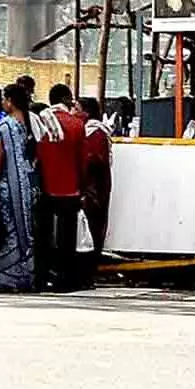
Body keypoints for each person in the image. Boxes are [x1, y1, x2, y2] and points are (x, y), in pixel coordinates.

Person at [0, 84, 39, 291]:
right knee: (25, 227)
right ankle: (25, 275)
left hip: (8, 185)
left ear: (10, 101)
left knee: (7, 230)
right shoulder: (30, 122)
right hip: (27, 185)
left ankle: (6, 278)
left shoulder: (5, 126)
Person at [35, 84, 86, 291]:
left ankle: (41, 277)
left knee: (43, 236)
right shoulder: (76, 124)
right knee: (67, 238)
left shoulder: (40, 122)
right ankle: (66, 280)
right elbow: (82, 160)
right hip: (70, 187)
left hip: (45, 186)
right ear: (66, 99)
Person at [72, 94, 112, 290]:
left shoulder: (93, 134)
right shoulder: (97, 133)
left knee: (88, 234)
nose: (73, 113)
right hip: (96, 191)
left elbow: (90, 162)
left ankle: (85, 276)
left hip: (92, 193)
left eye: (76, 109)